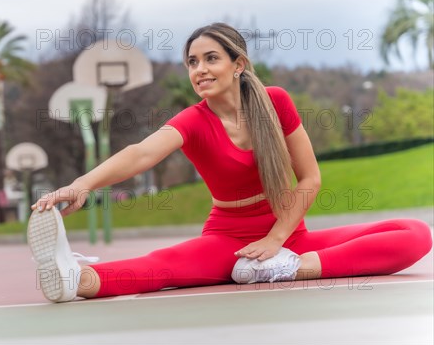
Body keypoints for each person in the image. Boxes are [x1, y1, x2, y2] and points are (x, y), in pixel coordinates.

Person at [29, 22, 433, 303]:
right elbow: (142, 153)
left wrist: (277, 246)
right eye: (192, 62)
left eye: (210, 59)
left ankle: (286, 270)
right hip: (230, 244)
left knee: (415, 233)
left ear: (237, 64)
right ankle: (74, 279)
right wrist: (81, 184)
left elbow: (309, 178)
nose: (200, 70)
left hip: (290, 241)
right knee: (162, 268)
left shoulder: (276, 102)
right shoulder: (193, 120)